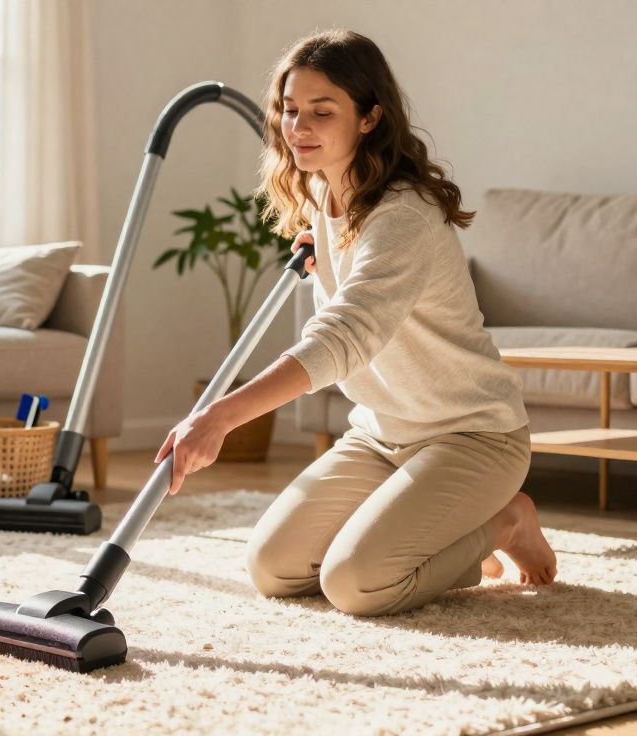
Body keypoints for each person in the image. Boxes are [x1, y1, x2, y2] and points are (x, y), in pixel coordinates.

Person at [154, 28, 557, 617]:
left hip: (471, 435)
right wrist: (330, 254)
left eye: (322, 111)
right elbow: (357, 281)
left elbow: (344, 337)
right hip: (380, 433)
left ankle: (504, 524)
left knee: (358, 583)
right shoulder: (324, 196)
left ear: (369, 118)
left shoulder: (404, 217)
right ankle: (439, 528)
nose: (299, 128)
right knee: (273, 567)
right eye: (291, 111)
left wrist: (220, 416)